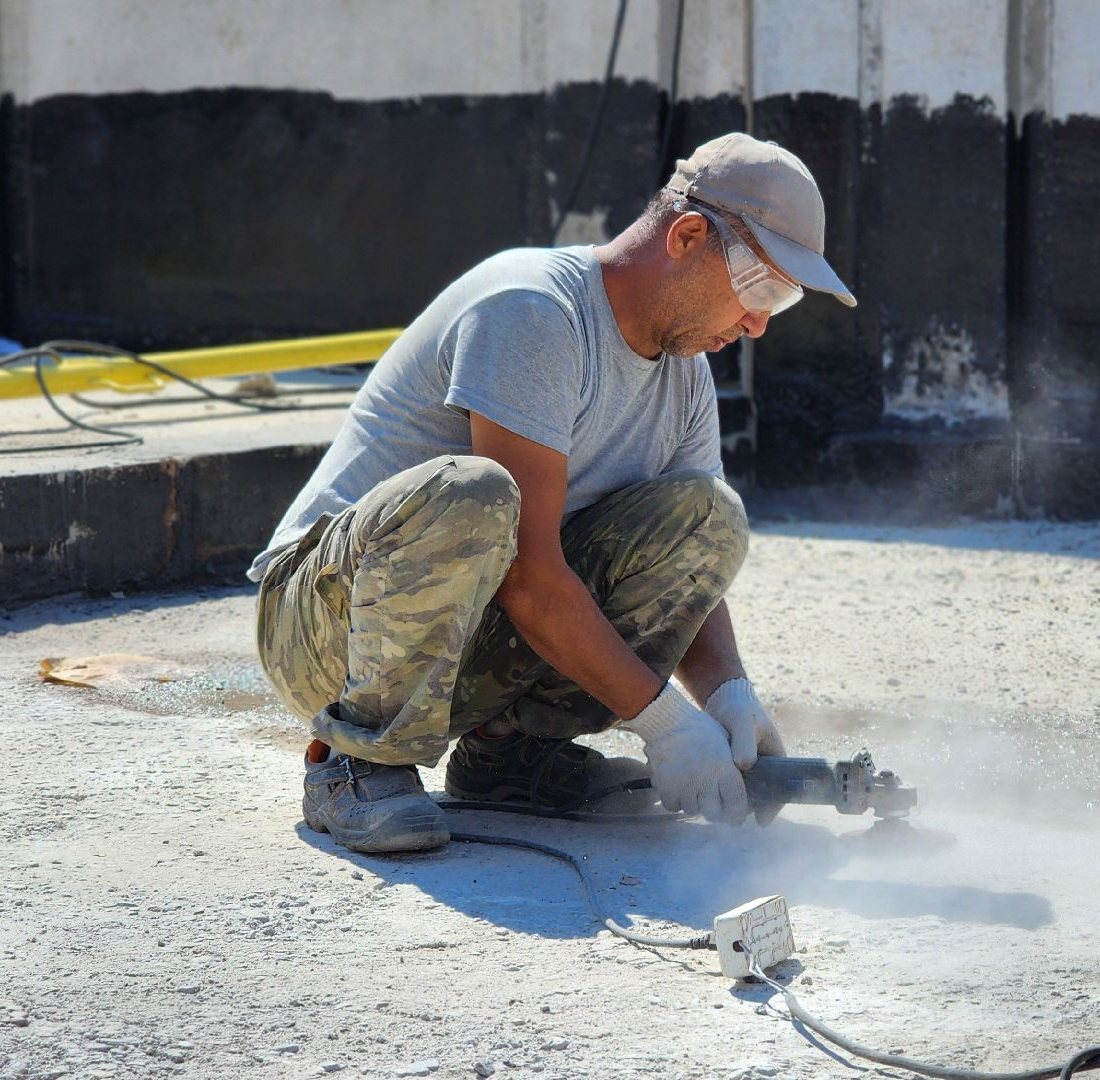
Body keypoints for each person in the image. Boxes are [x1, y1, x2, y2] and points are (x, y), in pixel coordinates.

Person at [248, 133, 858, 854]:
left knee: (708, 518)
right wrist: (664, 723)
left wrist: (728, 696)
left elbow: (688, 570)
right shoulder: (534, 310)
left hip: (458, 630)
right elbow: (529, 574)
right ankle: (355, 758)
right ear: (689, 236)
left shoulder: (684, 374)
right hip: (323, 626)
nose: (758, 323)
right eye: (762, 290)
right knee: (476, 494)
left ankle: (510, 753)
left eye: (780, 303)